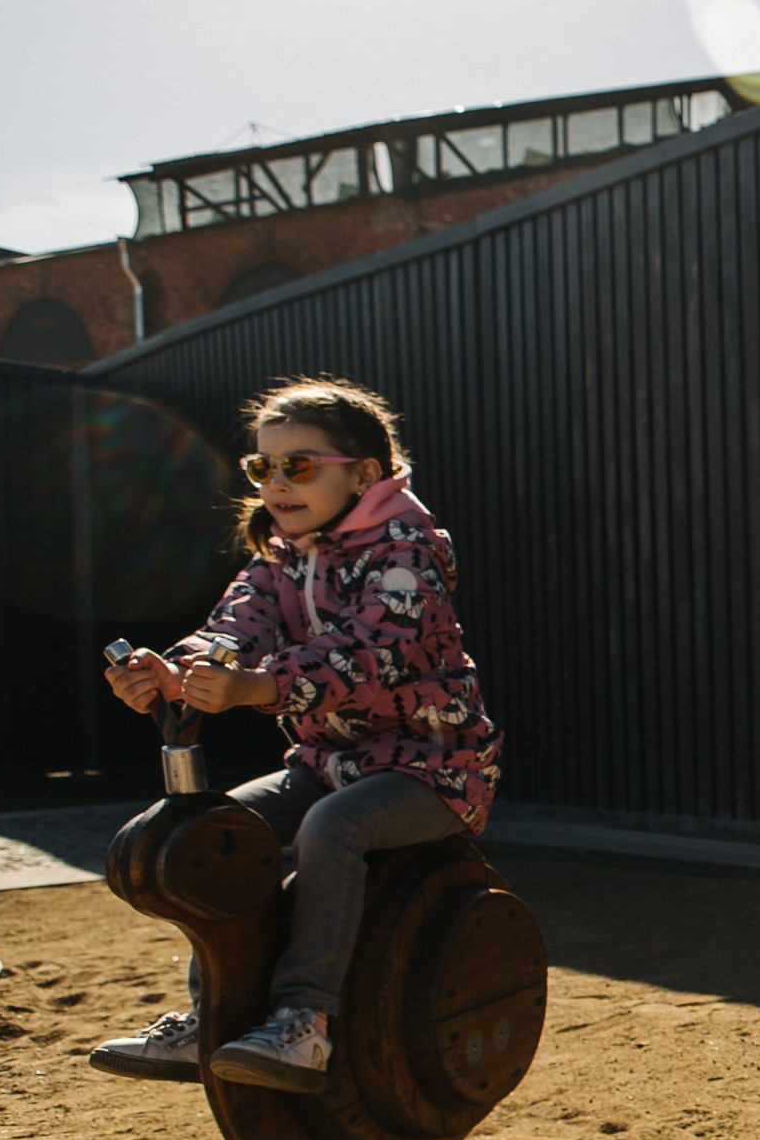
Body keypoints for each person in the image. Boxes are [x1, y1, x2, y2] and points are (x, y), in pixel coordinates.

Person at [91, 377, 502, 1094]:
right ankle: (210, 1016)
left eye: (299, 466)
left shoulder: (408, 549)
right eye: (263, 467)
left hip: (435, 770)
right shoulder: (285, 552)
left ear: (365, 474)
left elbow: (375, 656)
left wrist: (261, 686)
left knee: (331, 828)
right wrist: (175, 672)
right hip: (328, 759)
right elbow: (235, 627)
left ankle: (304, 1023)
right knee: (221, 830)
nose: (277, 483)